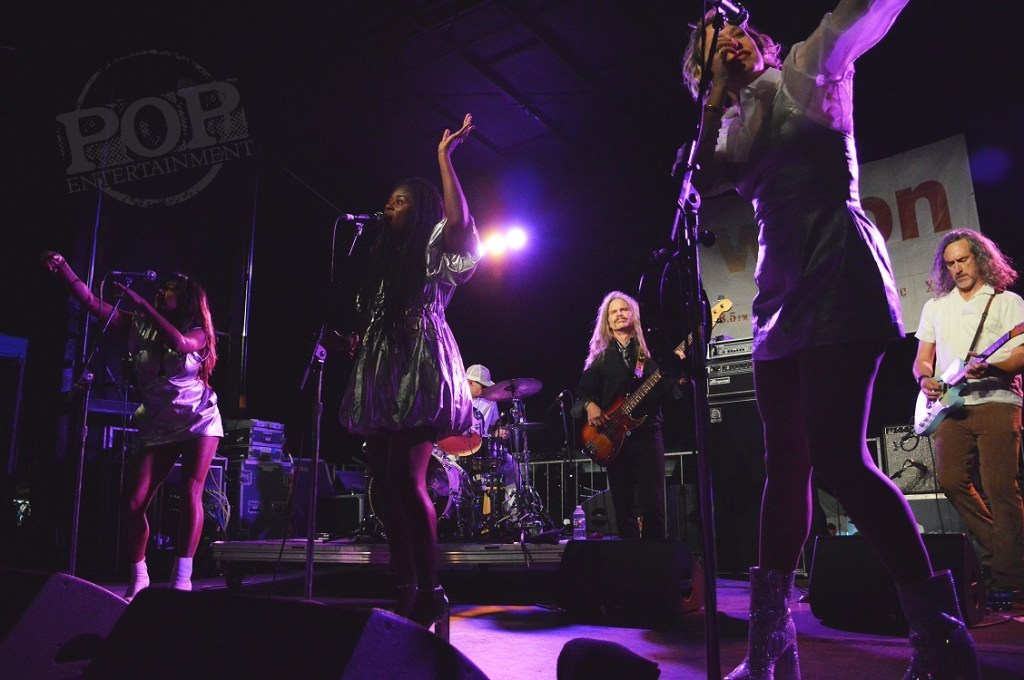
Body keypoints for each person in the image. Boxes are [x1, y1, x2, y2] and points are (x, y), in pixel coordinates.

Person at [682, 2, 979, 678]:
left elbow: (860, 12)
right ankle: (770, 643)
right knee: (783, 462)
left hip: (839, 267)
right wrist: (715, 96)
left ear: (756, 38)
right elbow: (702, 180)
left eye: (733, 30)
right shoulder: (730, 125)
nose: (729, 41)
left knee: (838, 459)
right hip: (778, 291)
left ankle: (938, 636)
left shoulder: (806, 69)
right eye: (712, 44)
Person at [338, 113, 479, 639]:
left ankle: (432, 588)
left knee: (405, 476)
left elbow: (461, 224)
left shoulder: (432, 248)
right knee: (383, 483)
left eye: (398, 201)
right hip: (383, 368)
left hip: (419, 368)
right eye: (388, 201)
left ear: (418, 209)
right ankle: (407, 586)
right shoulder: (385, 260)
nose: (388, 207)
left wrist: (444, 158)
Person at [42, 254, 222, 601]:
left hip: (198, 418)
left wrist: (142, 305)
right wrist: (63, 267)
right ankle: (139, 575)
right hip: (157, 423)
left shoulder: (198, 331)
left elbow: (179, 344)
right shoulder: (137, 324)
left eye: (170, 288)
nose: (161, 291)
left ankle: (182, 578)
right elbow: (91, 302)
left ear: (185, 299)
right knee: (134, 502)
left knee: (190, 490)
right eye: (161, 287)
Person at [914, 229, 1024, 594]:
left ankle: (1010, 579)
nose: (957, 268)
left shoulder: (1006, 302)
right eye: (950, 263)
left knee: (1000, 488)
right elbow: (922, 359)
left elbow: (1020, 355)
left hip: (998, 401)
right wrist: (925, 379)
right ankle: (1005, 554)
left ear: (980, 258)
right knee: (950, 482)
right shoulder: (935, 307)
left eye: (963, 260)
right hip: (951, 407)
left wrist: (992, 366)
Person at [571, 291, 667, 542]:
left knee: (653, 501)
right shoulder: (601, 357)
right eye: (613, 312)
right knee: (623, 504)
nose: (619, 314)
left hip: (647, 433)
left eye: (624, 309)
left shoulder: (649, 349)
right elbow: (582, 393)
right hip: (614, 437)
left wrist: (678, 380)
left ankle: (656, 555)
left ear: (633, 314)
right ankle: (631, 556)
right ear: (607, 321)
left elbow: (666, 387)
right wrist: (590, 405)